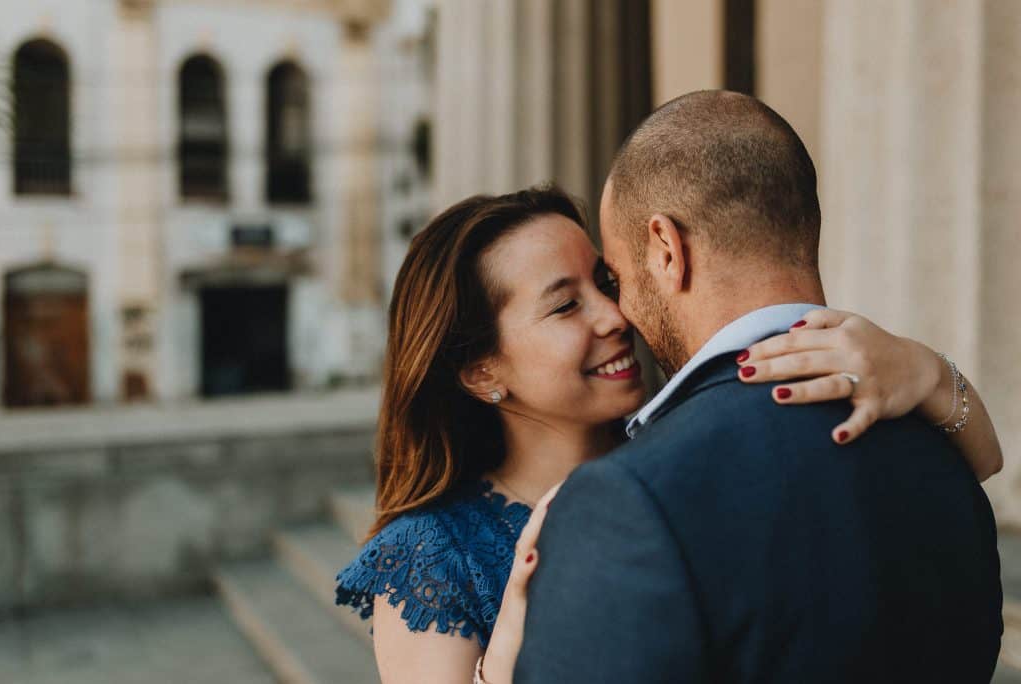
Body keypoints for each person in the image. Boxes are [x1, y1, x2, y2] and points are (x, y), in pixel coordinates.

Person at [334, 185, 1003, 680]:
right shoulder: (429, 557)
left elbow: (970, 470)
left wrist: (927, 373)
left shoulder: (687, 458)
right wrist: (503, 661)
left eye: (606, 282)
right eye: (566, 305)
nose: (613, 316)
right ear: (481, 371)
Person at [512, 91, 1003, 683]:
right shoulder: (944, 449)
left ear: (667, 250)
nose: (621, 315)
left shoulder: (628, 501)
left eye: (617, 278)